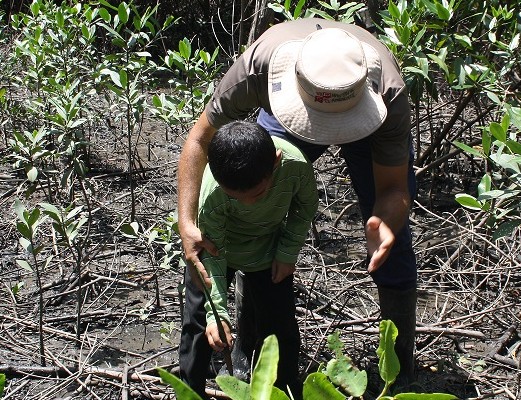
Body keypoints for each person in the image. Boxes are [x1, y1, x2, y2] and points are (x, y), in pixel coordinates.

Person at [178, 18, 418, 395]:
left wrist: (386, 221)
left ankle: (400, 363)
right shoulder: (258, 69)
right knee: (256, 202)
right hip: (294, 110)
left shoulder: (388, 94)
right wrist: (186, 220)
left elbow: (393, 188)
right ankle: (248, 348)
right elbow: (199, 139)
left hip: (367, 113)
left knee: (394, 245)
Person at [180, 120, 318, 398]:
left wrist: (287, 252)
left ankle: (284, 393)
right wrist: (215, 314)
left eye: (257, 194)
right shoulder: (212, 193)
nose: (248, 204)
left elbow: (306, 206)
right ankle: (190, 392)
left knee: (280, 331)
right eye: (237, 198)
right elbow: (213, 259)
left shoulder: (295, 165)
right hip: (216, 252)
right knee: (198, 324)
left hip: (268, 251)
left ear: (276, 162)